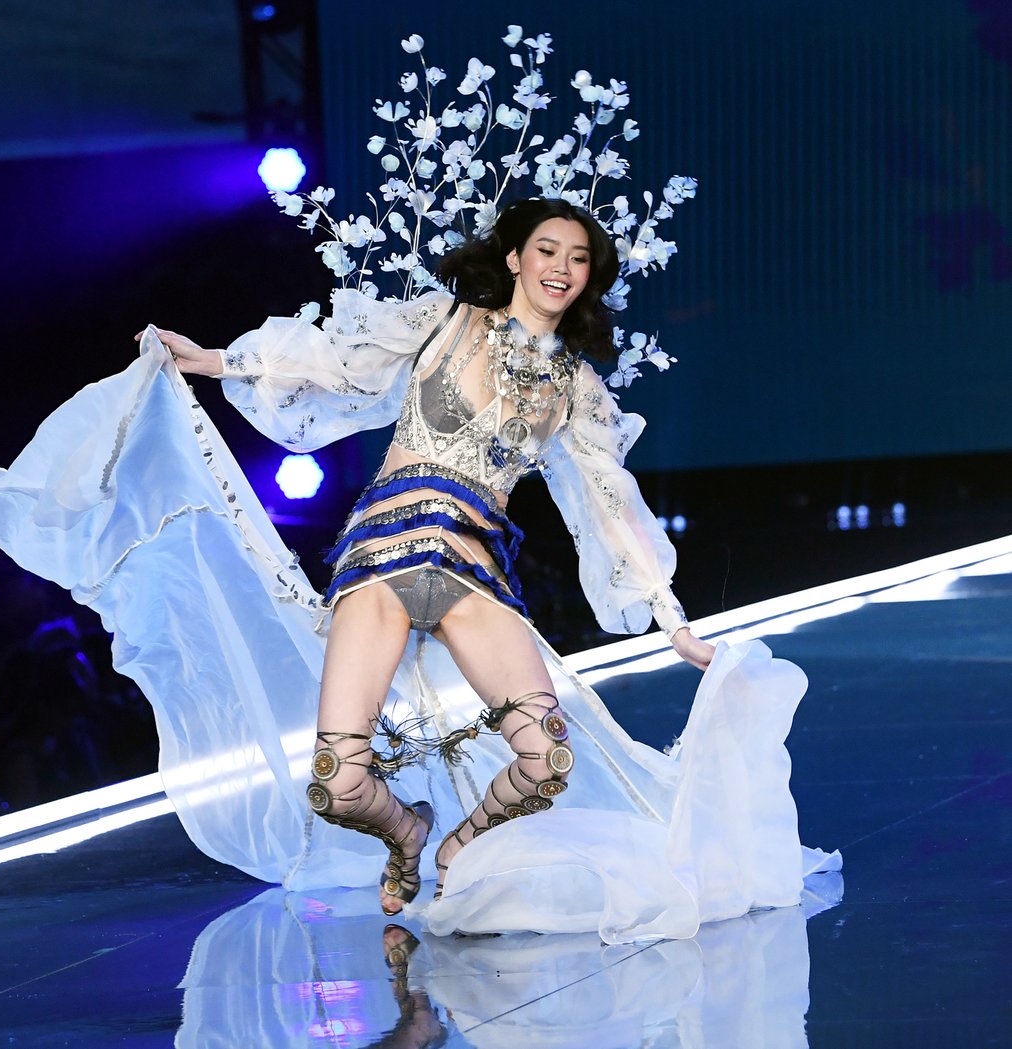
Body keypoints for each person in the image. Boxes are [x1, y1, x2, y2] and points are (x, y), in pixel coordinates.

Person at [145, 197, 715, 915]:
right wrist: (215, 360)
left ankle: (458, 846)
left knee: (547, 760)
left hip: (472, 575)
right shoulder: (442, 321)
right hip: (379, 564)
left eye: (577, 259)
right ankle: (407, 831)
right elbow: (332, 361)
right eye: (547, 250)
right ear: (513, 257)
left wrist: (673, 620)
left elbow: (613, 505)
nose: (560, 268)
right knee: (336, 783)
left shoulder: (577, 388)